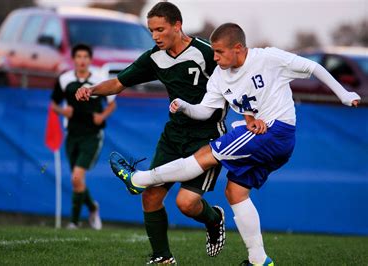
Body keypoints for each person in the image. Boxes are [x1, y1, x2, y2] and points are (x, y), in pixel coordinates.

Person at [109, 23, 361, 265]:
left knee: (207, 154)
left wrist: (344, 94)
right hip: (264, 135)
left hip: (277, 131)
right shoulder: (219, 76)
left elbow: (313, 68)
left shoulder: (269, 58)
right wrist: (184, 106)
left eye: (219, 51)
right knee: (235, 192)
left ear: (238, 48)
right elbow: (206, 111)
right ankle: (259, 260)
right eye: (214, 51)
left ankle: (139, 179)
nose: (214, 57)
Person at [75, 2, 227, 264]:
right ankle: (163, 258)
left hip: (207, 138)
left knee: (186, 203)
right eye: (151, 30)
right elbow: (118, 82)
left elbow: (234, 80)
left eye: (160, 29)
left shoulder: (205, 52)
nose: (155, 36)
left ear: (177, 26)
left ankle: (214, 219)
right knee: (151, 195)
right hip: (174, 137)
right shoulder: (154, 57)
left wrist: (252, 113)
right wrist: (91, 90)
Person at [51, 44, 116, 230]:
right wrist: (64, 111)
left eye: (85, 57)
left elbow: (112, 104)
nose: (81, 60)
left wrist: (102, 116)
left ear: (90, 59)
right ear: (73, 59)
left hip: (92, 135)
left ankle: (73, 222)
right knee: (76, 179)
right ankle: (93, 207)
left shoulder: (99, 79)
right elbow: (54, 105)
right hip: (72, 134)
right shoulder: (64, 79)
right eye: (78, 56)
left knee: (77, 177)